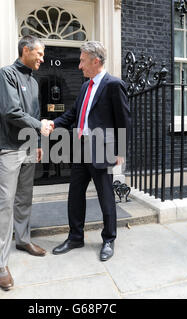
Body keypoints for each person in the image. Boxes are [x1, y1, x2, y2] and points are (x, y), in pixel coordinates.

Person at [48, 41, 130, 261]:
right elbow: (73, 114)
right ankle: (75, 237)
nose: (79, 66)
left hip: (102, 149)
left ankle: (109, 239)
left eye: (83, 61)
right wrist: (53, 124)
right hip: (81, 149)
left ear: (96, 61)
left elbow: (123, 119)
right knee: (75, 194)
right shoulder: (85, 86)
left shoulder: (114, 84)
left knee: (105, 197)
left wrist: (120, 149)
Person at [0, 35, 52, 291]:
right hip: (9, 148)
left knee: (25, 198)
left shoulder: (34, 82)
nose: (42, 58)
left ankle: (23, 239)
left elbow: (34, 114)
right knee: (5, 203)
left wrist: (37, 143)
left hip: (28, 147)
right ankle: (0, 263)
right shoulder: (6, 75)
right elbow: (10, 111)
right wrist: (40, 126)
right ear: (25, 50)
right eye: (38, 53)